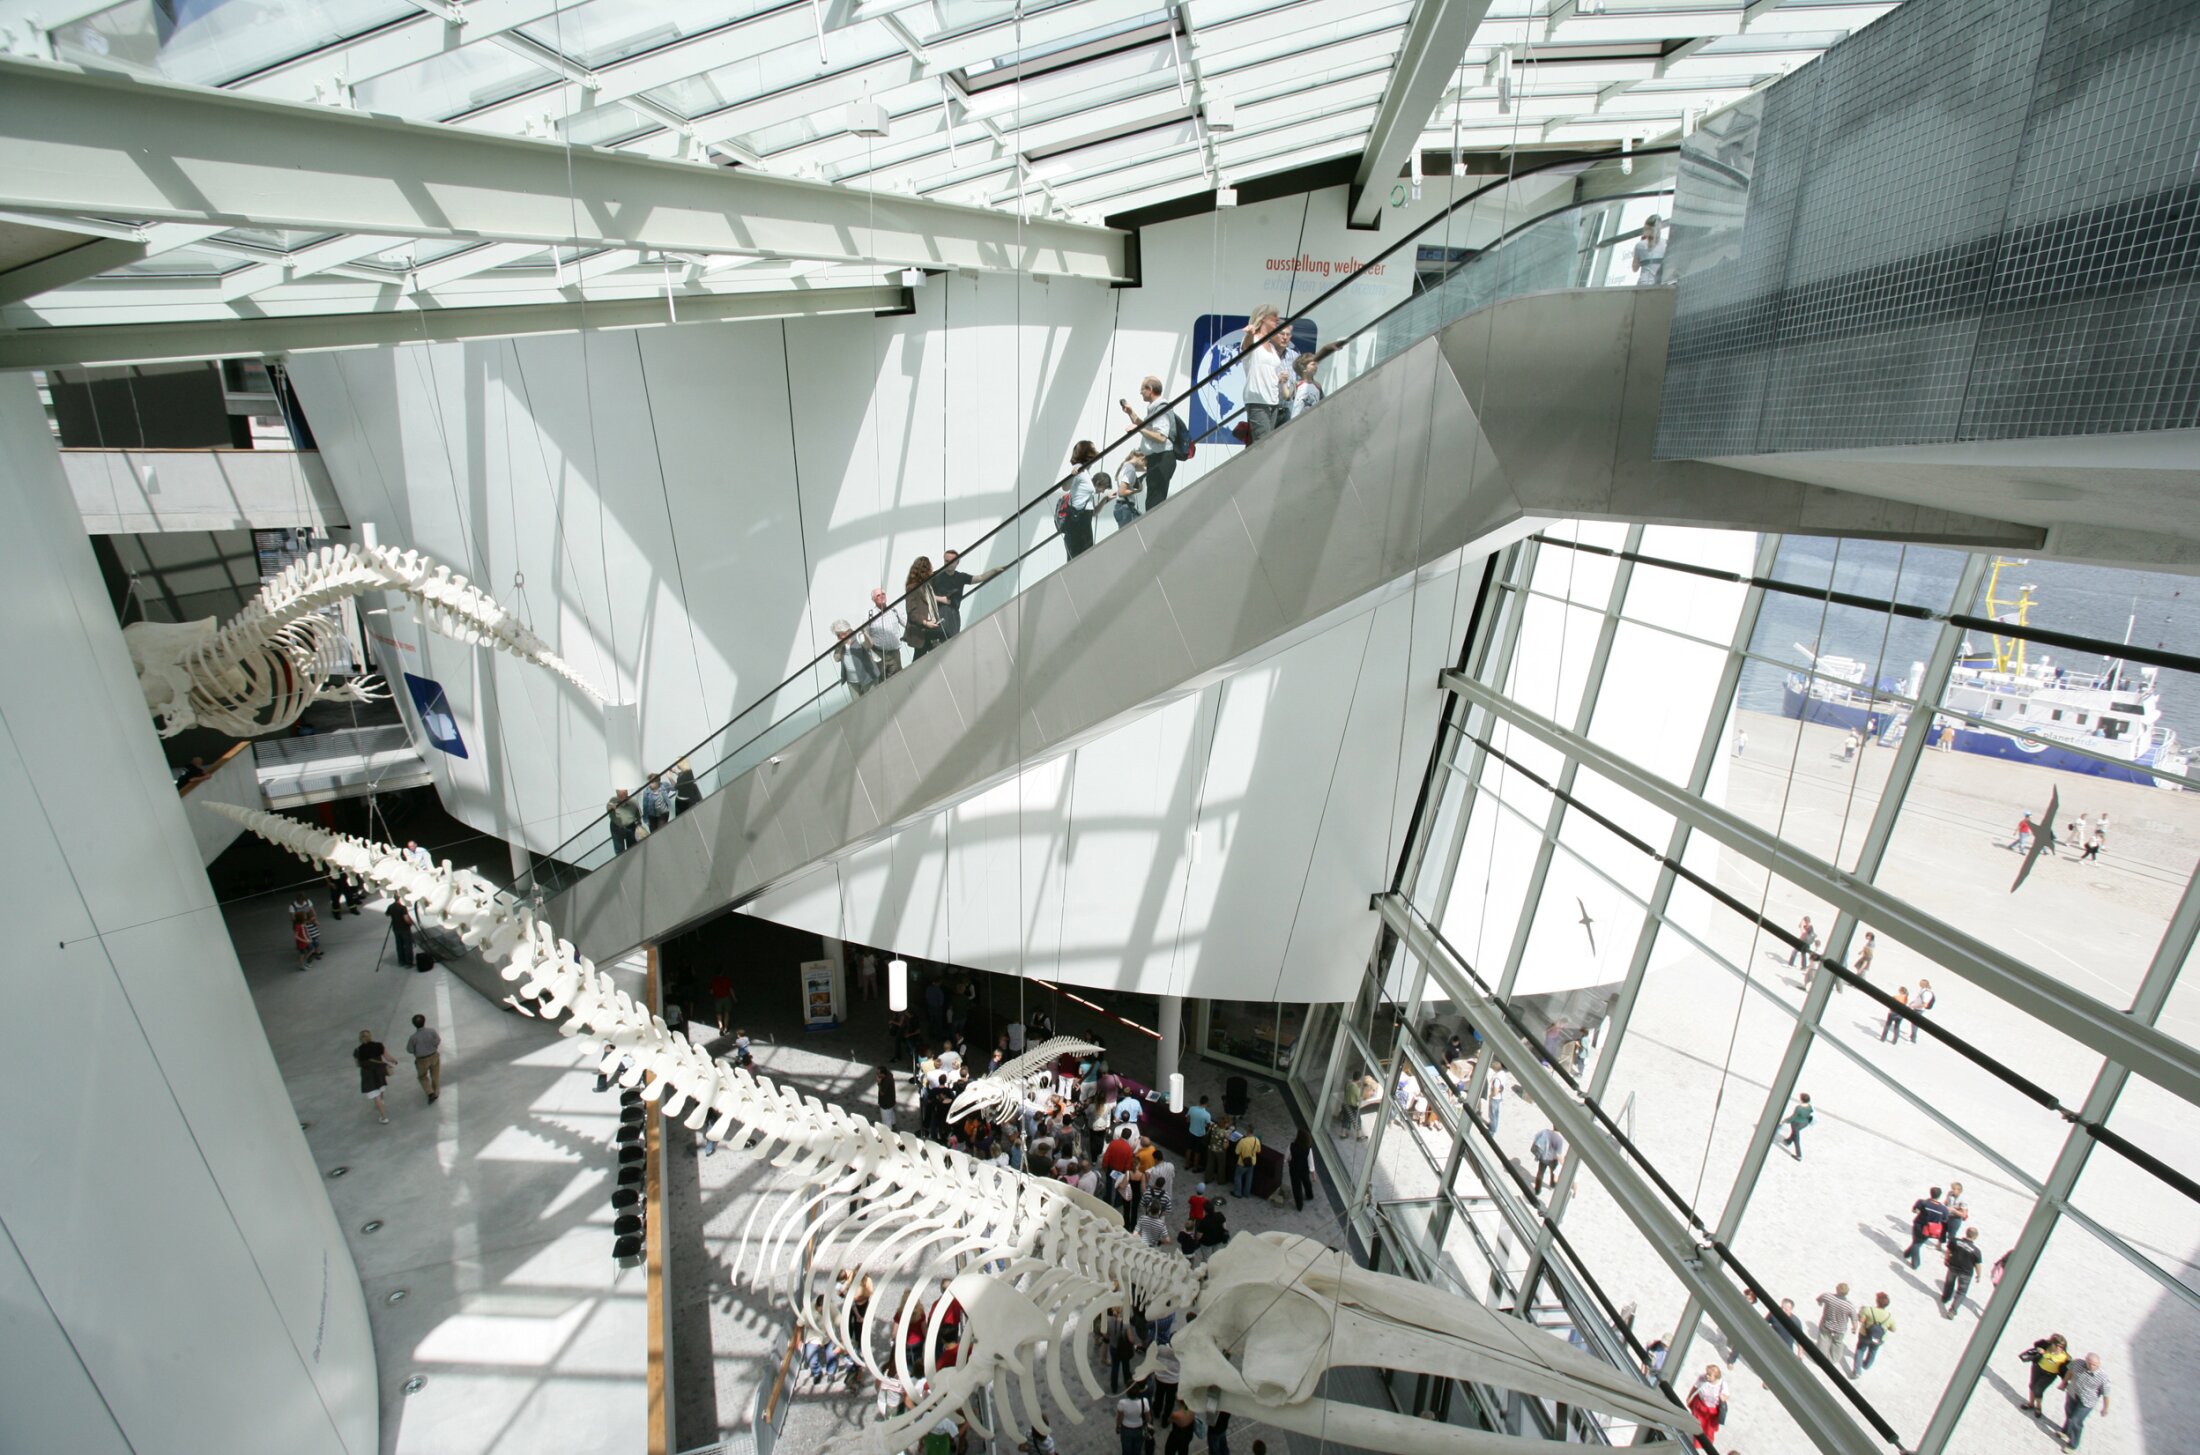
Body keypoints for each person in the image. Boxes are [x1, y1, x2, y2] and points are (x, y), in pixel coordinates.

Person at [1119, 376, 1185, 510]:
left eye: (1142, 389)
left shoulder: (1160, 408)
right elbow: (1147, 428)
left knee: (1154, 503)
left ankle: (1152, 530)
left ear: (1150, 389)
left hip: (1162, 459)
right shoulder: (1154, 408)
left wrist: (1138, 429)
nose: (1140, 392)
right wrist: (1131, 413)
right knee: (1153, 501)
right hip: (1157, 459)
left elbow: (1161, 437)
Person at [1240, 306, 1290, 444]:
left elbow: (1268, 370)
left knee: (1268, 441)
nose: (1277, 320)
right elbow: (1247, 347)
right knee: (1263, 442)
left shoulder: (1271, 347)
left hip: (1273, 400)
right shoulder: (1253, 340)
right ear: (1263, 319)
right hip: (1257, 399)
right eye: (1274, 317)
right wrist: (1249, 334)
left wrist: (1278, 378)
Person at [931, 549, 1005, 639]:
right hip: (939, 613)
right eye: (946, 561)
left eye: (952, 561)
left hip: (953, 614)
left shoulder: (960, 577)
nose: (949, 564)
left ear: (957, 563)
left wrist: (995, 570)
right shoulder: (935, 576)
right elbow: (923, 589)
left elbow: (980, 578)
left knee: (951, 641)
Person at [1060, 441, 1101, 559]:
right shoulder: (1078, 468)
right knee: (1081, 553)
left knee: (1083, 554)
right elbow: (1065, 487)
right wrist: (1072, 475)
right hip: (1078, 518)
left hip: (1083, 517)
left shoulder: (1086, 471)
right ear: (1086, 452)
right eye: (1093, 448)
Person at [2061, 1353, 2109, 1449]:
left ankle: (2073, 1445)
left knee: (2076, 1421)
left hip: (2087, 1402)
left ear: (2099, 1364)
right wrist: (2064, 1383)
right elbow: (2070, 1372)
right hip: (2073, 1393)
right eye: (2089, 1363)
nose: (2091, 1366)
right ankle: (2066, 1431)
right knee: (2069, 1414)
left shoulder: (2102, 1377)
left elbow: (2106, 1394)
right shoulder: (2077, 1363)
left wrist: (2105, 1408)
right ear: (2085, 1360)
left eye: (2094, 1364)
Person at [2019, 1332, 2071, 1415]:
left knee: (2038, 1389)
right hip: (2037, 1368)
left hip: (2050, 1374)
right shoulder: (2046, 1346)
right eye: (2058, 1346)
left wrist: (2064, 1382)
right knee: (2032, 1385)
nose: (2060, 1348)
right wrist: (2040, 1349)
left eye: (2062, 1347)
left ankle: (2038, 1407)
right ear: (2053, 1344)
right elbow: (2036, 1344)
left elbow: (2066, 1370)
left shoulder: (2065, 1357)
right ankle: (2031, 1404)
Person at [905, 557, 946, 659]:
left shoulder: (928, 585)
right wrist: (925, 622)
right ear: (925, 569)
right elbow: (911, 612)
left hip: (932, 627)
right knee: (919, 660)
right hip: (922, 630)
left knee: (935, 659)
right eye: (930, 567)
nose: (932, 569)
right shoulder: (913, 588)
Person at [354, 1030, 397, 1124]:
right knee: (381, 1087)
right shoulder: (379, 1045)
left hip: (368, 1076)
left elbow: (358, 1064)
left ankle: (384, 1117)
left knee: (375, 1095)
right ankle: (381, 1100)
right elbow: (388, 1057)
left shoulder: (358, 1051)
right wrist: (394, 1061)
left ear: (360, 1039)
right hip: (380, 1072)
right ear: (370, 1036)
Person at [1940, 1226, 1982, 1318]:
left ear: (1966, 1233)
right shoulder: (1976, 1251)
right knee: (1961, 1292)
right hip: (1966, 1273)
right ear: (1975, 1237)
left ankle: (1945, 1298)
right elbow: (1978, 1265)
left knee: (1949, 1284)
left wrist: (1946, 1259)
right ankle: (1952, 1311)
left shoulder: (1955, 1241)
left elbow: (1948, 1251)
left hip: (1953, 1267)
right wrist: (1979, 1275)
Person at [833, 618, 882, 695]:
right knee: (858, 705)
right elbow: (836, 658)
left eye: (840, 634)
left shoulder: (858, 636)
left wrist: (864, 634)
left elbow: (869, 645)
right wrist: (839, 646)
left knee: (873, 702)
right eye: (838, 635)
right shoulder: (841, 645)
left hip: (867, 678)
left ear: (846, 631)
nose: (839, 637)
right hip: (852, 682)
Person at [1904, 1187, 1951, 1267]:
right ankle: (1907, 1254)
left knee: (1917, 1243)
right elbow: (1945, 1219)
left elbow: (1914, 1210)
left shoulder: (1923, 1202)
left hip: (1919, 1225)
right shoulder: (1943, 1209)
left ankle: (1916, 1263)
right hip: (1931, 1229)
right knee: (1918, 1242)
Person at [865, 589, 906, 679]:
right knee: (882, 682)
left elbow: (906, 623)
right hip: (880, 655)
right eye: (878, 595)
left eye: (883, 594)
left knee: (898, 679)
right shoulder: (870, 615)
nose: (881, 596)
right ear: (873, 599)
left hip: (895, 654)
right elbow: (865, 635)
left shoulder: (894, 610)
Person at [1812, 1283, 1857, 1366]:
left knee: (1823, 1340)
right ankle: (1832, 1359)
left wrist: (1820, 1303)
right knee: (1838, 1343)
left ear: (1837, 1289)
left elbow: (1819, 1299)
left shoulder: (1828, 1296)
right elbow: (1854, 1319)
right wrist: (1854, 1328)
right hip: (1840, 1329)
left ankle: (1821, 1358)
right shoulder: (1849, 1306)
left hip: (1826, 1324)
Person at [1852, 1292, 1895, 1376]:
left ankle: (1857, 1371)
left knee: (1860, 1350)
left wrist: (1860, 1314)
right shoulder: (1889, 1316)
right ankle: (1866, 1365)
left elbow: (1861, 1320)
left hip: (1865, 1334)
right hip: (1879, 1338)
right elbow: (1893, 1329)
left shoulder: (1868, 1309)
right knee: (1873, 1351)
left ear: (1877, 1301)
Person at [1684, 1363, 1726, 1447]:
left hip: (1710, 1411)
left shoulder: (1721, 1384)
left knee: (1707, 1429)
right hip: (1700, 1406)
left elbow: (1726, 1396)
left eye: (1710, 1375)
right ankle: (1693, 1442)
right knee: (1696, 1425)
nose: (1707, 1376)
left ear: (1715, 1377)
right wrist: (1689, 1397)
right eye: (1707, 1373)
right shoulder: (1702, 1378)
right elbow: (1695, 1387)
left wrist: (1722, 1397)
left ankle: (1704, 1444)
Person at [404, 1013, 443, 1102]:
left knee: (422, 1076)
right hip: (434, 1056)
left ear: (414, 1024)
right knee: (435, 1075)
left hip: (421, 1060)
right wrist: (433, 1046)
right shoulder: (431, 1031)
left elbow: (409, 1050)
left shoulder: (413, 1038)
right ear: (424, 1022)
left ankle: (430, 1093)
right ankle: (436, 1091)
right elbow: (438, 1040)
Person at [1110, 452, 1146, 528]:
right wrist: (1138, 490)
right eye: (1145, 464)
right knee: (1128, 535)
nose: (1144, 467)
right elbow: (1122, 492)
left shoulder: (1125, 466)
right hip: (1125, 508)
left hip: (1122, 506)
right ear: (1142, 459)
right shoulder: (1130, 470)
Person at [1530, 1126, 1566, 1196]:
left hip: (1543, 1157)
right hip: (1552, 1159)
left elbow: (1536, 1138)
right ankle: (1552, 1184)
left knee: (1540, 1173)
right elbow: (1558, 1155)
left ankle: (1537, 1190)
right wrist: (1563, 1163)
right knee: (1553, 1172)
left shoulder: (1546, 1132)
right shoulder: (1559, 1139)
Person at [1631, 215, 1666, 284]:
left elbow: (1635, 268)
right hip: (1654, 285)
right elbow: (1634, 269)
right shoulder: (1640, 246)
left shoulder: (1640, 245)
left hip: (1649, 284)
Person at [1777, 1092, 1813, 1158]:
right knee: (1794, 1133)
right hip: (1805, 1123)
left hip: (1796, 1124)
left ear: (1801, 1100)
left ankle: (1799, 1155)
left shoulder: (1799, 1108)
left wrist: (1785, 1120)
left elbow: (1793, 1117)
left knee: (1796, 1139)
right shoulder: (1810, 1107)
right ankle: (1788, 1141)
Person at [1288, 1127, 1315, 1211]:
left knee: (1296, 1187)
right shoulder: (1308, 1149)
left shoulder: (1291, 1146)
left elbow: (1287, 1157)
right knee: (1307, 1182)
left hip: (1294, 1169)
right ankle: (1309, 1195)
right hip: (1304, 1170)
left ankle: (1299, 1206)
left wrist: (1289, 1161)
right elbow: (1311, 1163)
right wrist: (1313, 1174)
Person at [1232, 1124, 1262, 1197]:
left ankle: (1238, 1193)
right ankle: (1246, 1193)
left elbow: (1237, 1152)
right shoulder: (1256, 1140)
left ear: (1247, 1131)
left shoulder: (1242, 1141)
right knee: (1249, 1178)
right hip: (1252, 1162)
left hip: (1242, 1163)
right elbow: (1258, 1151)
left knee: (1238, 1177)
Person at [607, 788, 640, 853]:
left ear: (627, 794)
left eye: (622, 796)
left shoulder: (633, 802)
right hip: (616, 828)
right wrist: (610, 807)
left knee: (632, 849)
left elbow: (638, 815)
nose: (620, 798)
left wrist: (638, 825)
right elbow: (609, 808)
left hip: (630, 827)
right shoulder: (613, 800)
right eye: (618, 795)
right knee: (619, 851)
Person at [385, 897, 415, 970]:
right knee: (408, 946)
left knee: (399, 945)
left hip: (396, 928)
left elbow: (387, 914)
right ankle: (409, 963)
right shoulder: (403, 907)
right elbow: (406, 919)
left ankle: (401, 961)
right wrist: (411, 923)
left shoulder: (391, 906)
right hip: (404, 929)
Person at [1484, 1063, 1510, 1135]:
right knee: (1496, 1113)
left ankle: (1492, 1131)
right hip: (1500, 1097)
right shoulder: (1503, 1074)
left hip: (1495, 1098)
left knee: (1492, 1114)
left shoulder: (1497, 1079)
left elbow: (1495, 1091)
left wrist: (1491, 1096)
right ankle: (1494, 1127)